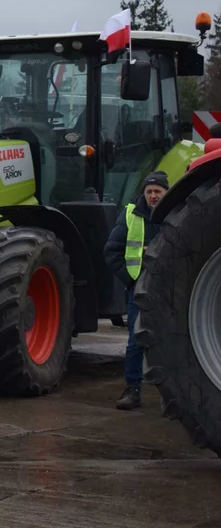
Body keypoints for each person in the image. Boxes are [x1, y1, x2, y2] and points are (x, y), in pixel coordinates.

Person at [104, 171, 169, 411]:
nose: (153, 196)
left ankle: (170, 395)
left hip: (169, 290)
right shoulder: (131, 215)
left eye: (158, 192)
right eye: (149, 192)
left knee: (168, 340)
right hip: (139, 289)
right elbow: (111, 251)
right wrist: (131, 280)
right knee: (135, 341)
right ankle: (132, 389)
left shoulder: (176, 213)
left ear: (166, 193)